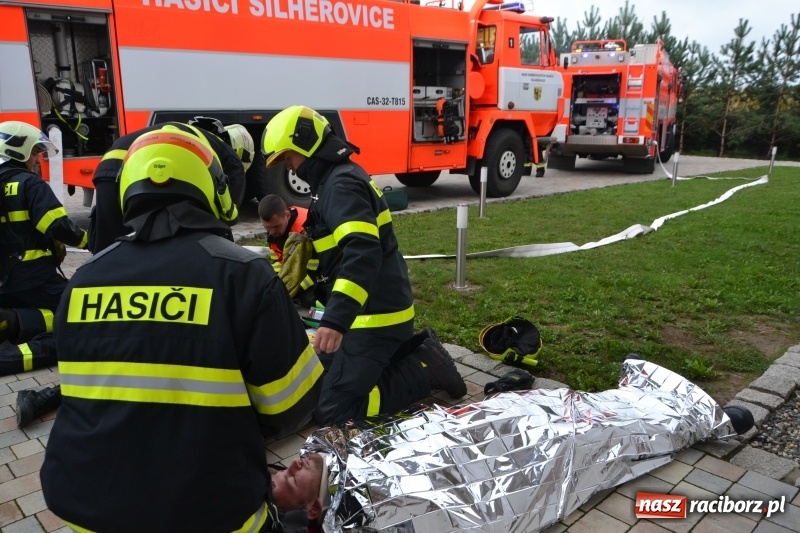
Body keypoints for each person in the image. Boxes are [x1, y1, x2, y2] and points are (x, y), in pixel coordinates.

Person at [40, 124, 324, 532]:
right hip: (212, 512)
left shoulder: (83, 281)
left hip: (89, 509)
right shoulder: (244, 277)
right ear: (211, 188)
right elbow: (291, 406)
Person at [269, 357, 756, 533]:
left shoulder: (340, 450)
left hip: (482, 424)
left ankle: (637, 398)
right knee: (582, 440)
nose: (291, 463)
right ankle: (701, 419)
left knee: (555, 406)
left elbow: (415, 428)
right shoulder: (363, 510)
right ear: (314, 508)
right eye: (291, 477)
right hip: (517, 457)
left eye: (283, 467)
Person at [262, 105, 467, 426]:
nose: (289, 166)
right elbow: (341, 254)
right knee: (322, 375)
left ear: (305, 143)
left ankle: (423, 372)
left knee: (331, 410)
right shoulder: (337, 181)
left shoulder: (340, 187)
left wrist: (336, 321)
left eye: (289, 157)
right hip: (370, 315)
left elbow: (362, 252)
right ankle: (412, 353)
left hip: (373, 321)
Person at [89, 116, 253, 254]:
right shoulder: (230, 157)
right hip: (135, 166)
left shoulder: (192, 134)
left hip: (108, 166)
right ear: (240, 152)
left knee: (107, 247)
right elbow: (229, 214)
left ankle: (97, 284)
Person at [0, 121, 87, 375]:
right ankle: (13, 338)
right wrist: (90, 241)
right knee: (82, 313)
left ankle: (11, 319)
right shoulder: (31, 185)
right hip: (35, 279)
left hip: (5, 283)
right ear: (18, 150)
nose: (38, 159)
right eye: (35, 152)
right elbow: (58, 227)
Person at [258, 194, 316, 306]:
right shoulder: (274, 232)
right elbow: (278, 263)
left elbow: (315, 268)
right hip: (304, 274)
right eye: (267, 227)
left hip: (321, 274)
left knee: (308, 299)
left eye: (276, 226)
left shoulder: (306, 229)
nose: (271, 232)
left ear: (287, 215)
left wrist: (299, 289)